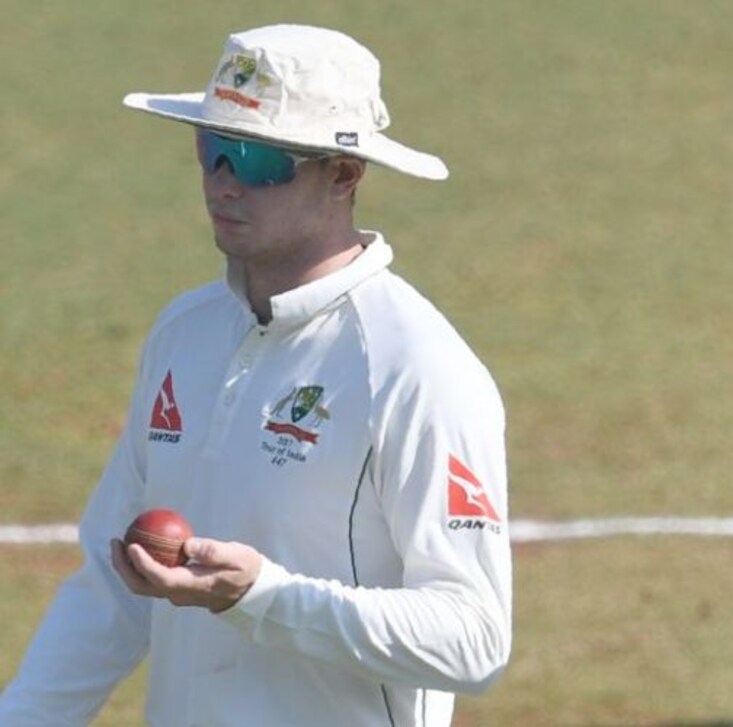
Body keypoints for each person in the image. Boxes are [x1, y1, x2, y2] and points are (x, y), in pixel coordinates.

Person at [0, 24, 511, 726]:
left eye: (259, 160)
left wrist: (261, 596)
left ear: (344, 175)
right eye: (212, 148)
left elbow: (474, 640)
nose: (224, 182)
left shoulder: (417, 368)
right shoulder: (184, 333)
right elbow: (109, 589)